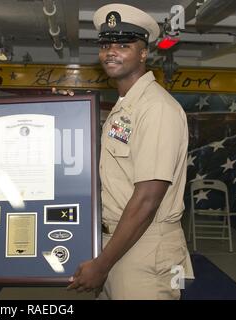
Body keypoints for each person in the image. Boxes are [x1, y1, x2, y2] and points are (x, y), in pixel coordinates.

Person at [68, 3, 194, 300]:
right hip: (118, 243)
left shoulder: (156, 108)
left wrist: (103, 263)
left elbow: (147, 199)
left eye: (124, 45)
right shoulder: (126, 105)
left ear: (143, 53)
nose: (111, 51)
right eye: (106, 45)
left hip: (144, 251)